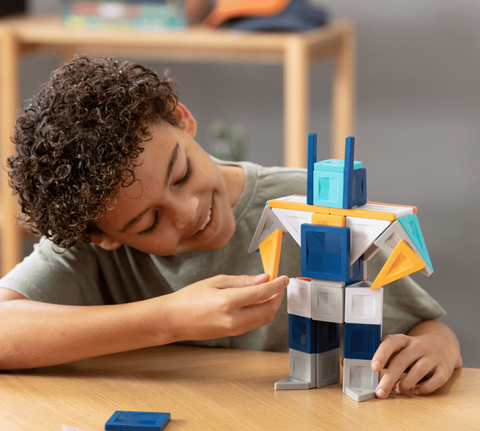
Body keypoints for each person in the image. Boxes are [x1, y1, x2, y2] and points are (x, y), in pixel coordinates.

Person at [0, 56, 461, 400]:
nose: (188, 211)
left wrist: (436, 347)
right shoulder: (89, 247)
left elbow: (427, 330)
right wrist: (168, 319)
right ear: (105, 237)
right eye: (149, 221)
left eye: (180, 174)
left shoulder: (308, 207)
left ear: (182, 119)